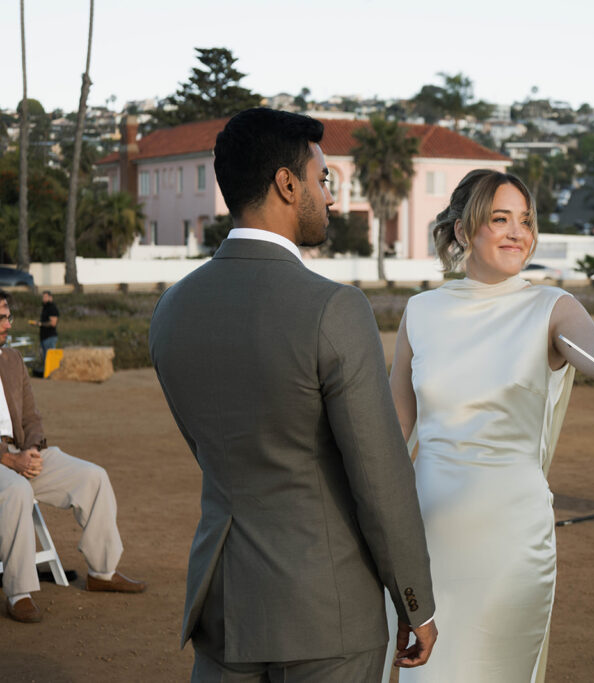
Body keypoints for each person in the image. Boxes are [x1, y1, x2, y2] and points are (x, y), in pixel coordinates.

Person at [149, 108, 437, 680]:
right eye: (323, 180)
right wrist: (415, 601)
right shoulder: (334, 308)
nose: (329, 198)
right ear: (287, 183)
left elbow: (210, 449)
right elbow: (379, 476)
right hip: (325, 607)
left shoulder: (171, 309)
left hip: (223, 600)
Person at [388, 169, 594, 682]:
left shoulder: (551, 308)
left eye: (526, 221)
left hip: (510, 543)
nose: (518, 233)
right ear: (463, 231)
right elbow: (393, 432)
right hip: (428, 541)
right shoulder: (420, 311)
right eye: (500, 218)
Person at [0, 289, 145, 624]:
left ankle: (102, 572)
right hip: (4, 463)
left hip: (22, 452)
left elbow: (32, 418)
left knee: (93, 477)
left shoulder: (12, 360)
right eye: (2, 317)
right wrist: (8, 460)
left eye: (8, 316)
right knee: (17, 491)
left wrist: (33, 449)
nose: (8, 323)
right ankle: (19, 592)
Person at [28, 290, 59, 361]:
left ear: (50, 297)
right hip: (44, 338)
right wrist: (37, 323)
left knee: (50, 360)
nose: (43, 299)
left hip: (50, 337)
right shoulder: (45, 308)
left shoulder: (52, 308)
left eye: (45, 297)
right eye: (43, 297)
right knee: (46, 360)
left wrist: (40, 324)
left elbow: (53, 323)